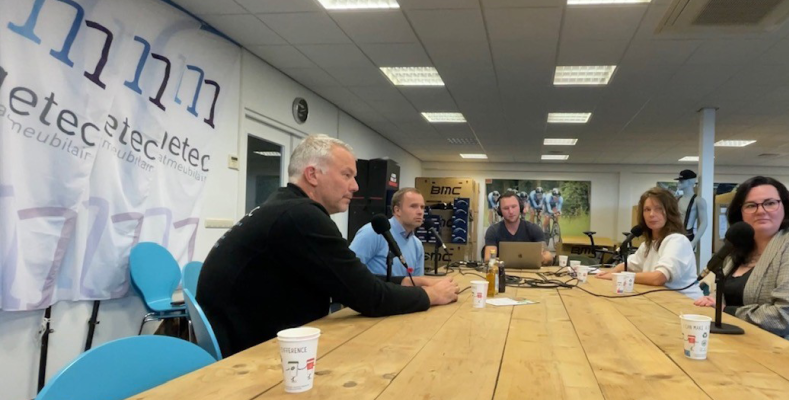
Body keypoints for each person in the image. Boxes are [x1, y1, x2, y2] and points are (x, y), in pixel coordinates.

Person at [197, 135, 458, 356]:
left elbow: (344, 279)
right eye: (347, 175)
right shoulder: (302, 216)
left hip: (252, 336)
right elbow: (367, 296)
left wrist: (406, 283)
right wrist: (430, 296)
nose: (355, 186)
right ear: (312, 174)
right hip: (256, 353)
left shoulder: (284, 207)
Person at [693, 176, 789, 354]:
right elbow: (723, 296)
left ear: (784, 208)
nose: (761, 211)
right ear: (740, 213)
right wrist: (712, 302)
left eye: (770, 203)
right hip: (740, 347)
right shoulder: (739, 251)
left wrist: (729, 312)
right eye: (751, 205)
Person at [596, 188, 702, 299]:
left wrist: (618, 276)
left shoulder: (677, 241)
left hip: (687, 305)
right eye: (647, 209)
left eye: (658, 209)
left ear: (670, 212)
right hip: (662, 301)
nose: (651, 214)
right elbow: (630, 265)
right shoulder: (648, 244)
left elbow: (658, 278)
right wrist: (612, 272)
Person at [350, 187, 442, 284]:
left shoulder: (417, 245)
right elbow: (350, 271)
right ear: (397, 210)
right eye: (413, 206)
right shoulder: (373, 232)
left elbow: (416, 283)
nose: (420, 212)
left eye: (422, 207)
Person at [483, 191, 553, 265]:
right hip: (503, 273)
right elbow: (488, 258)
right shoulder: (493, 231)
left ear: (520, 207)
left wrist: (541, 258)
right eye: (506, 208)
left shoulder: (534, 229)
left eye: (514, 207)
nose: (511, 211)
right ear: (500, 211)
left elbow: (548, 257)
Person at [675, 170, 709, 249]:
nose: (679, 183)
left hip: (687, 236)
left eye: (682, 181)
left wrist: (694, 242)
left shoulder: (699, 201)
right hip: (675, 235)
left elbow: (704, 223)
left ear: (690, 181)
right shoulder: (677, 199)